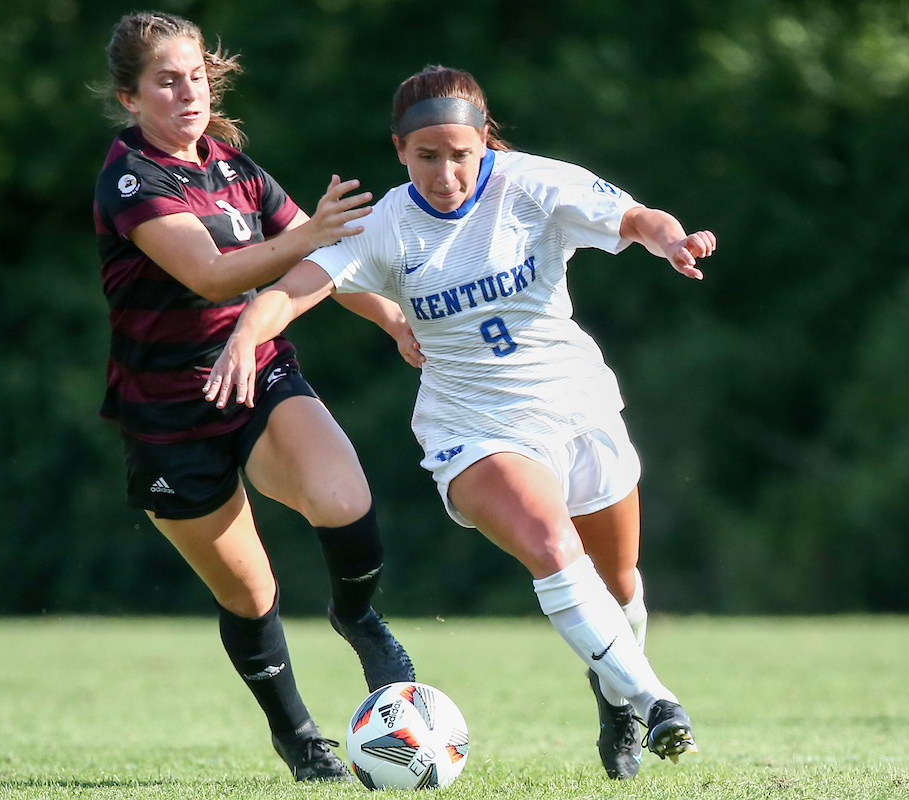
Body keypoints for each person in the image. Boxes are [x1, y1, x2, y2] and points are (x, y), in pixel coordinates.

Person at [204, 65, 716, 780]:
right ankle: (658, 700)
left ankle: (617, 698)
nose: (445, 173)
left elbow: (636, 218)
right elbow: (292, 293)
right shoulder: (383, 224)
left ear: (485, 143)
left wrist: (670, 239)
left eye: (460, 154)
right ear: (399, 150)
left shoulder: (529, 183)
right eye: (426, 156)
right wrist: (242, 336)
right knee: (548, 542)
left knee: (620, 582)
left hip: (576, 404)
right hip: (473, 425)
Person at [92, 12, 418, 783]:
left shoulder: (233, 167)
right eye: (167, 81)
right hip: (168, 412)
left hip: (259, 371)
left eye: (196, 76)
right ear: (130, 98)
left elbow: (322, 260)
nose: (188, 93)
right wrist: (310, 237)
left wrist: (394, 318)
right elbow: (210, 274)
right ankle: (300, 739)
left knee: (345, 497)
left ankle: (358, 617)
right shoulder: (132, 179)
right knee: (252, 591)